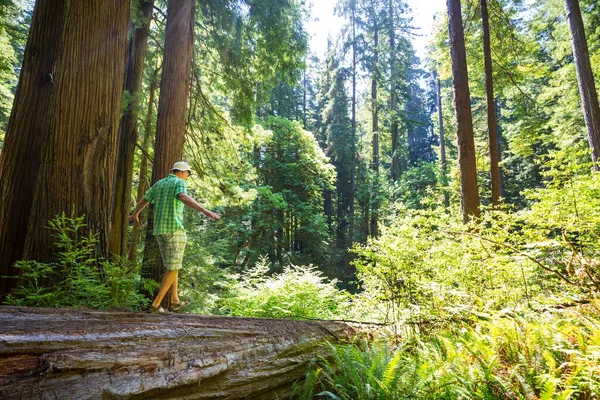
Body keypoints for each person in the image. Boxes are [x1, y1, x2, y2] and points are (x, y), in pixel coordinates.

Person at [128, 161, 220, 313]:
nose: (188, 177)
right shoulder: (179, 182)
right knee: (173, 267)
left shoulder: (159, 184)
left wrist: (135, 213)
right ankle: (156, 305)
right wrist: (203, 210)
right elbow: (183, 197)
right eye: (188, 174)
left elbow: (144, 200)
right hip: (174, 230)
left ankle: (174, 301)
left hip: (160, 231)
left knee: (172, 266)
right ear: (182, 172)